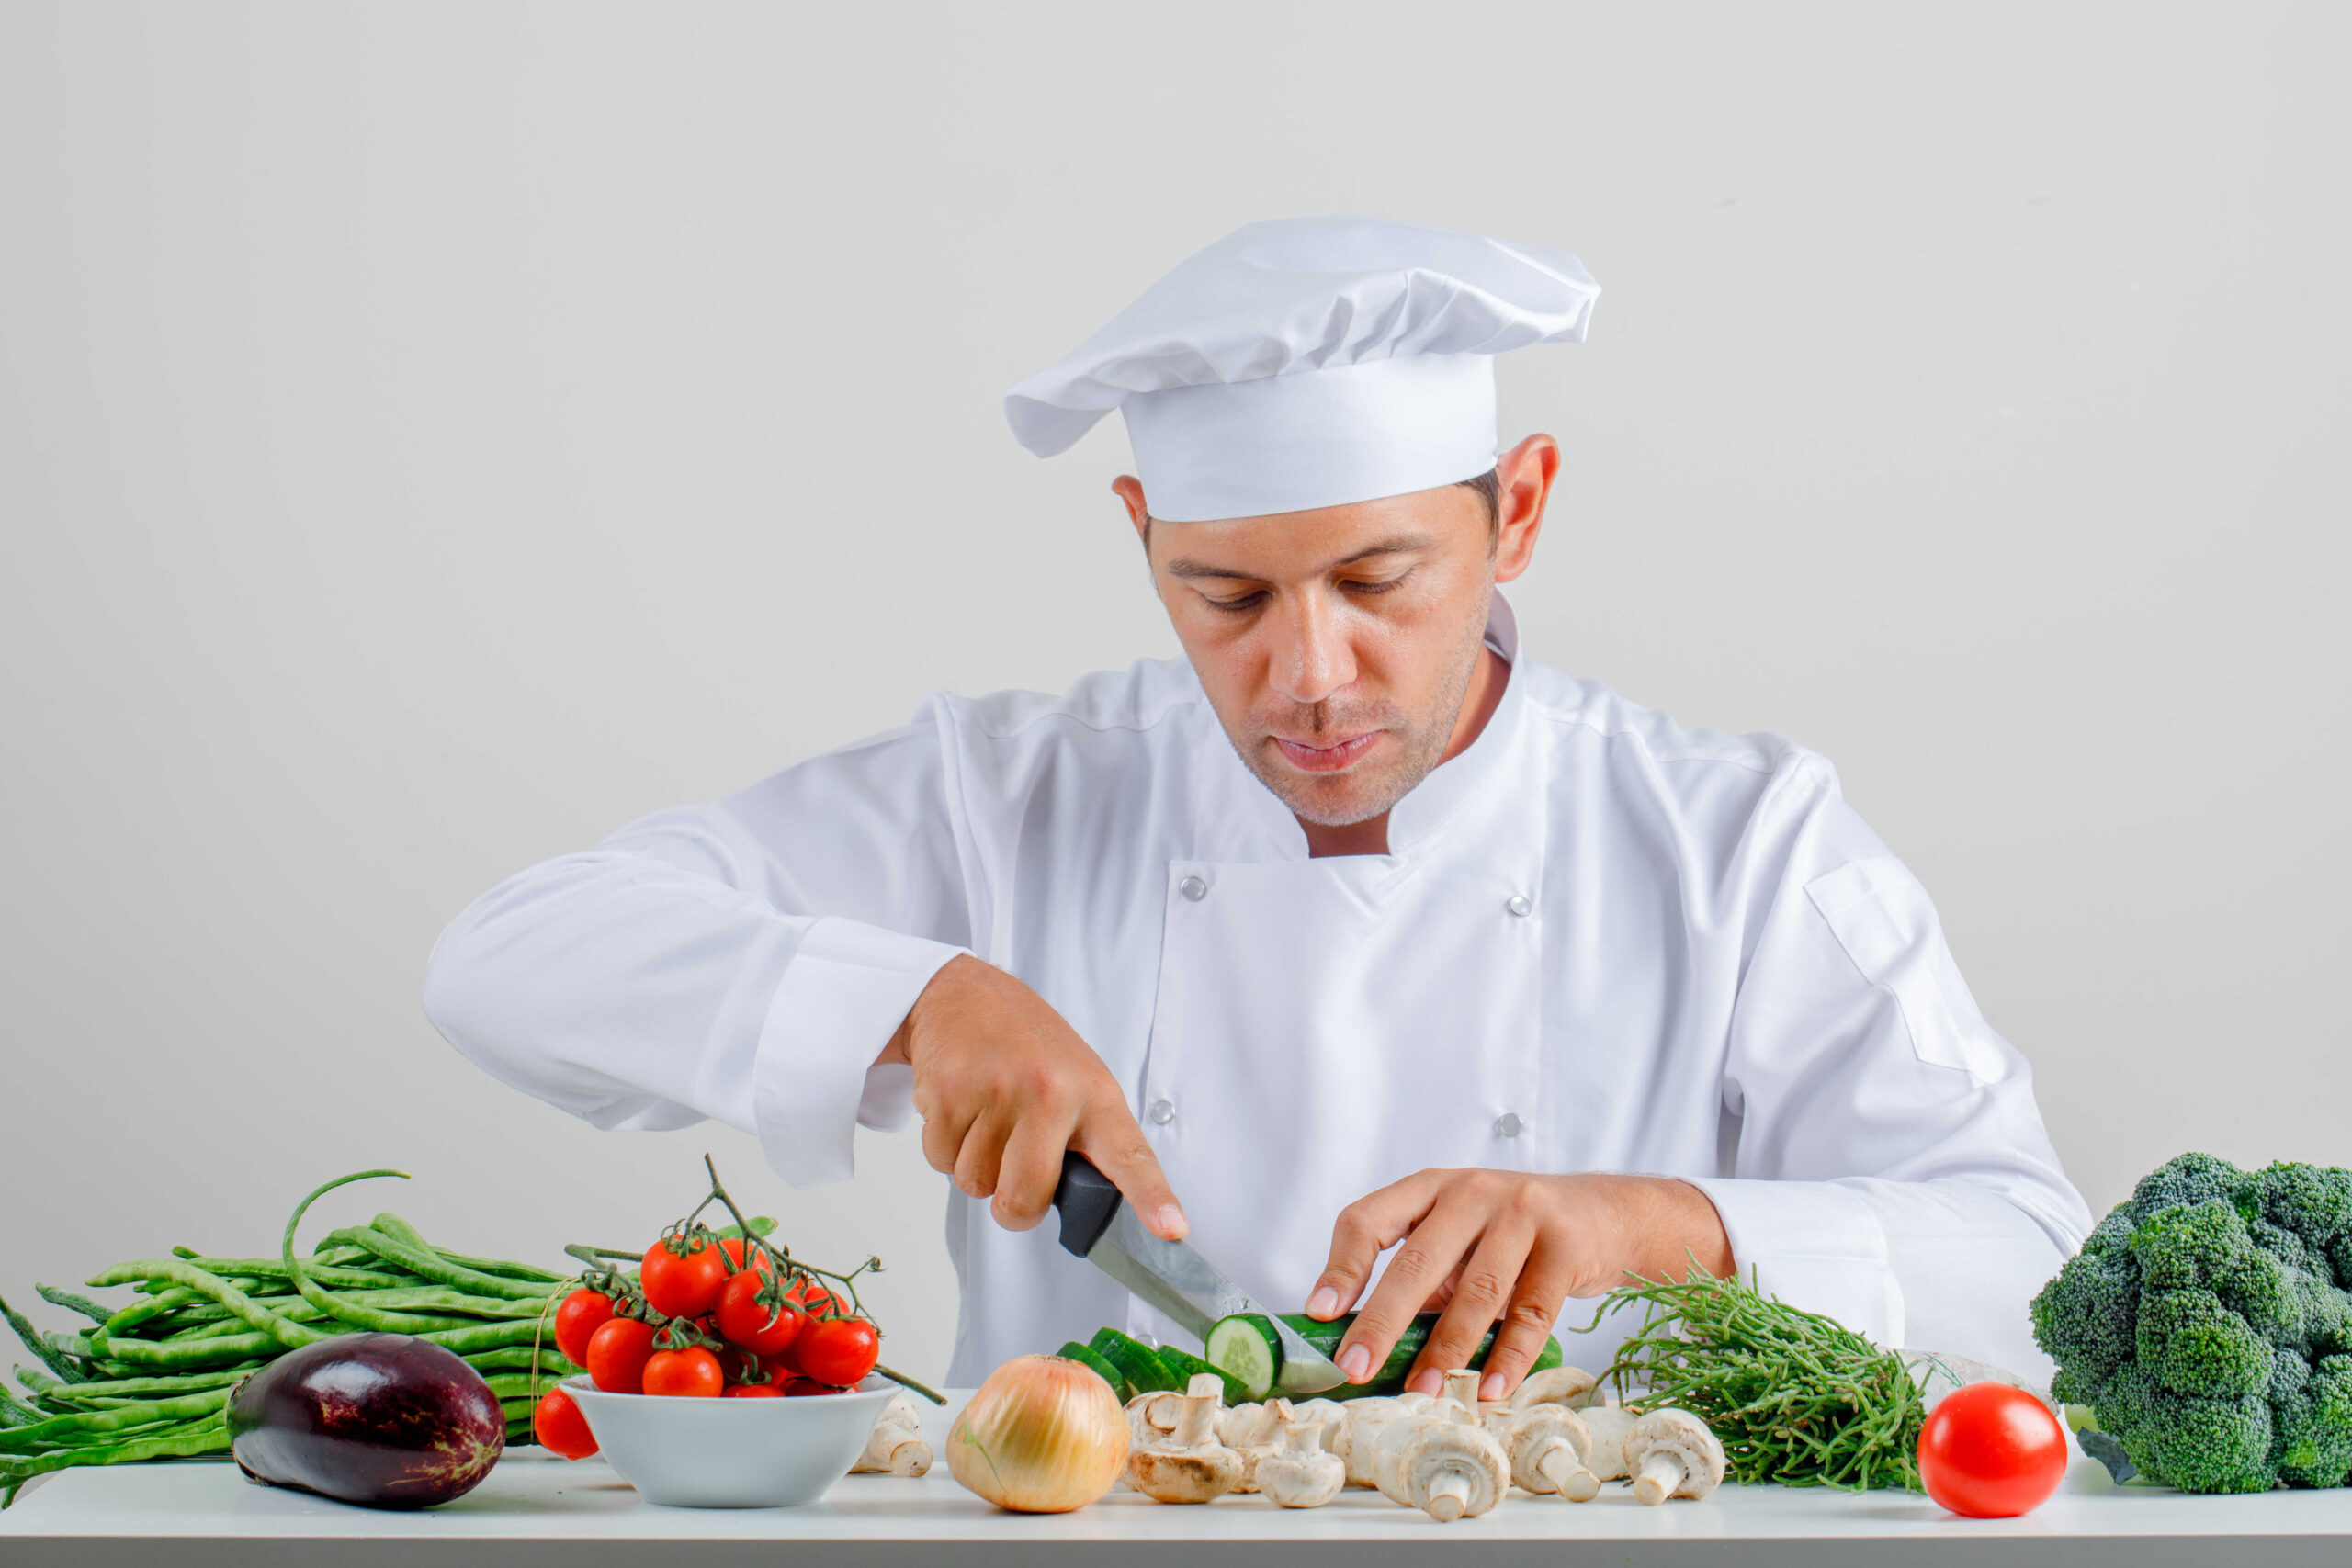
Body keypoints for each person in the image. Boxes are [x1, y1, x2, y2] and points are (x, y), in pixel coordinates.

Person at [425, 216, 2090, 1394]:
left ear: (1516, 514)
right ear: (1142, 530)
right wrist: (915, 998)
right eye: (1224, 595)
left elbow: (2034, 1268)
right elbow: (507, 962)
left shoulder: (1738, 840)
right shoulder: (1006, 795)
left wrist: (1653, 1224)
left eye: (1381, 580)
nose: (1308, 673)